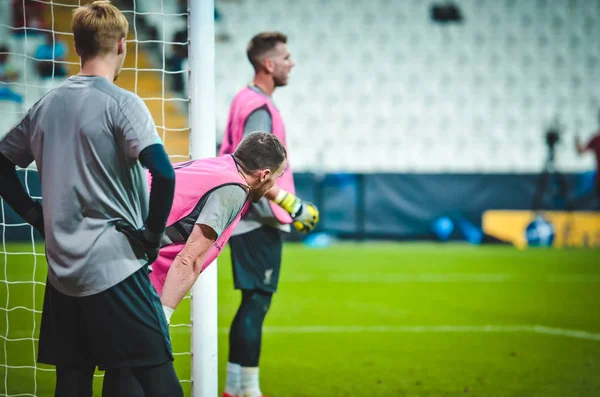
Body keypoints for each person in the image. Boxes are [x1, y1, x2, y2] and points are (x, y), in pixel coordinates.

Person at [0, 2, 181, 396]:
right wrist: (151, 236)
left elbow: (2, 165)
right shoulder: (122, 103)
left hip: (63, 270)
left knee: (72, 377)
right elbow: (164, 173)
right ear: (121, 46)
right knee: (156, 377)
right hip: (115, 266)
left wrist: (34, 214)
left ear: (77, 46)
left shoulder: (46, 105)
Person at [104, 131, 291, 395]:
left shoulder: (220, 166)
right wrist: (162, 318)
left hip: (103, 250)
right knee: (154, 377)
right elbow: (189, 259)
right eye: (276, 177)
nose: (273, 185)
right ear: (264, 175)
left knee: (119, 367)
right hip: (122, 268)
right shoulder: (233, 189)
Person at [219, 32, 319, 397]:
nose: (292, 63)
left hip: (249, 216)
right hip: (256, 218)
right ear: (268, 64)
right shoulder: (259, 107)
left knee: (252, 302)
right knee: (256, 302)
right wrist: (285, 206)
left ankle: (237, 388)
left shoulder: (245, 100)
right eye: (287, 57)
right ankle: (247, 390)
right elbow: (252, 168)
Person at [575, 111, 600, 204]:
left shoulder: (596, 138)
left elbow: (581, 151)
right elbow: (581, 151)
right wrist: (576, 141)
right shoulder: (596, 138)